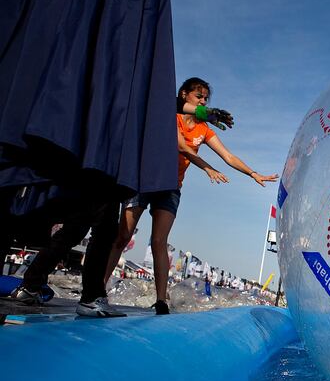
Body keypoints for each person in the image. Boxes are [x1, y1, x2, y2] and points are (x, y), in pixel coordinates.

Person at [105, 77, 278, 315]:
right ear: (184, 95)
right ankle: (99, 289)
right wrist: (207, 168)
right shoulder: (170, 113)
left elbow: (228, 157)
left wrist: (253, 173)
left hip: (171, 187)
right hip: (145, 179)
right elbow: (181, 146)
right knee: (122, 235)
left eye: (206, 98)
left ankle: (161, 300)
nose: (204, 101)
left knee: (159, 242)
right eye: (199, 97)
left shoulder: (203, 129)